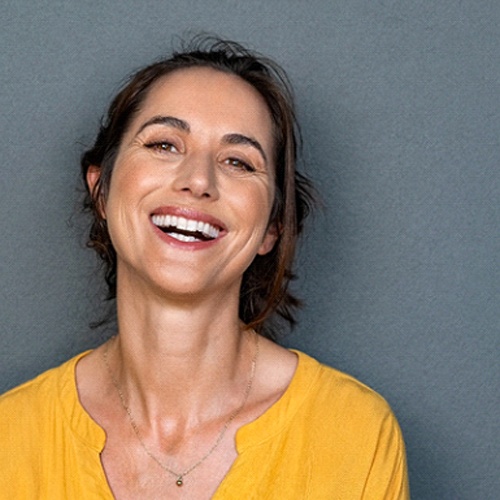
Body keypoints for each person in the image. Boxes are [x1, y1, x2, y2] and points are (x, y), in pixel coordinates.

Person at [0, 37, 409, 499]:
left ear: (272, 226)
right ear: (102, 192)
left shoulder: (356, 435)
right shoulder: (9, 440)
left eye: (238, 161)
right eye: (164, 144)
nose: (198, 180)